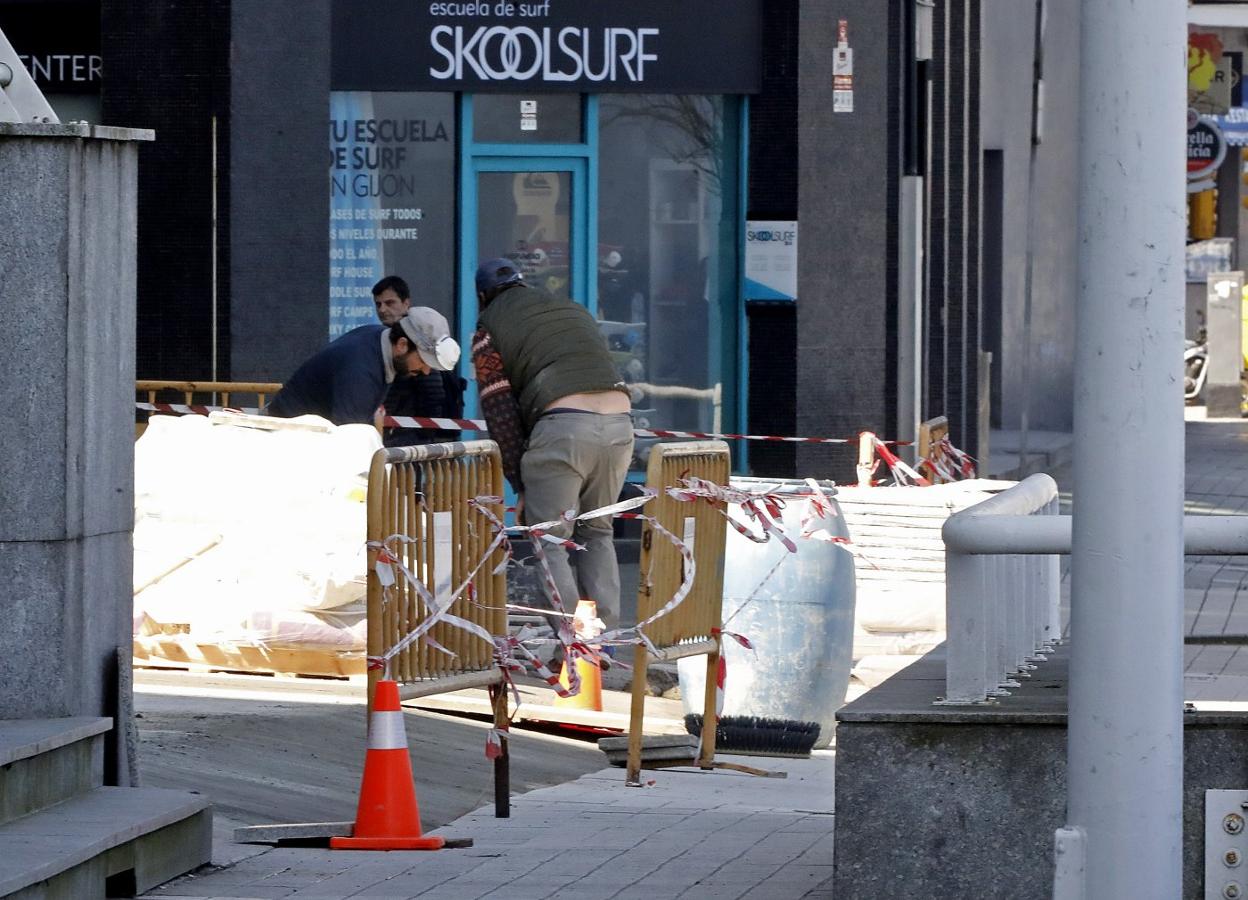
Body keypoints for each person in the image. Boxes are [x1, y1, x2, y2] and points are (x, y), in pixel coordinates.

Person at [471, 257, 634, 631]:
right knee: (598, 531)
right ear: (522, 284)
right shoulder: (572, 310)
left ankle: (574, 640)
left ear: (483, 296)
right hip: (619, 425)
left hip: (563, 428)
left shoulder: (488, 329)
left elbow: (500, 412)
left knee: (550, 538)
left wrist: (518, 483)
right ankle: (603, 638)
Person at [264, 307, 459, 426]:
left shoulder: (377, 338)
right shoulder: (360, 373)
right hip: (285, 440)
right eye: (424, 361)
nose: (425, 371)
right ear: (402, 345)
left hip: (293, 432)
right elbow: (349, 443)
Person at [369, 276, 466, 447]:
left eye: (390, 303)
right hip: (391, 432)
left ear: (406, 303)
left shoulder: (421, 341)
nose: (383, 309)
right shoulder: (383, 341)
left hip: (410, 437)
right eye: (378, 304)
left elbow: (433, 393)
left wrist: (426, 436)